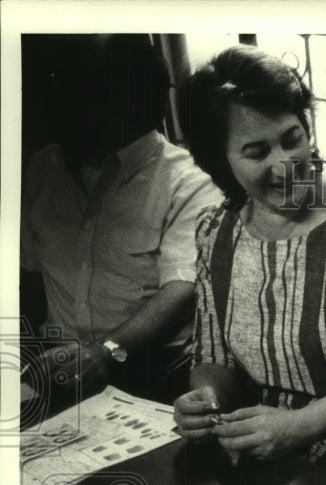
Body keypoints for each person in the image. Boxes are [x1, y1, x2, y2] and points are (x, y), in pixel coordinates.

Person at [171, 46, 326, 476]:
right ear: (222, 161)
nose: (285, 164)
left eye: (292, 139)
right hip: (266, 444)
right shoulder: (215, 233)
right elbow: (214, 355)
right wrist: (206, 402)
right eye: (256, 152)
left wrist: (297, 426)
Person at [20, 34, 220, 403]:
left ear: (122, 101)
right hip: (56, 367)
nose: (56, 104)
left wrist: (106, 351)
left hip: (148, 371)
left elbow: (181, 289)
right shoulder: (43, 167)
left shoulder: (188, 182)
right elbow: (29, 272)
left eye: (74, 91)